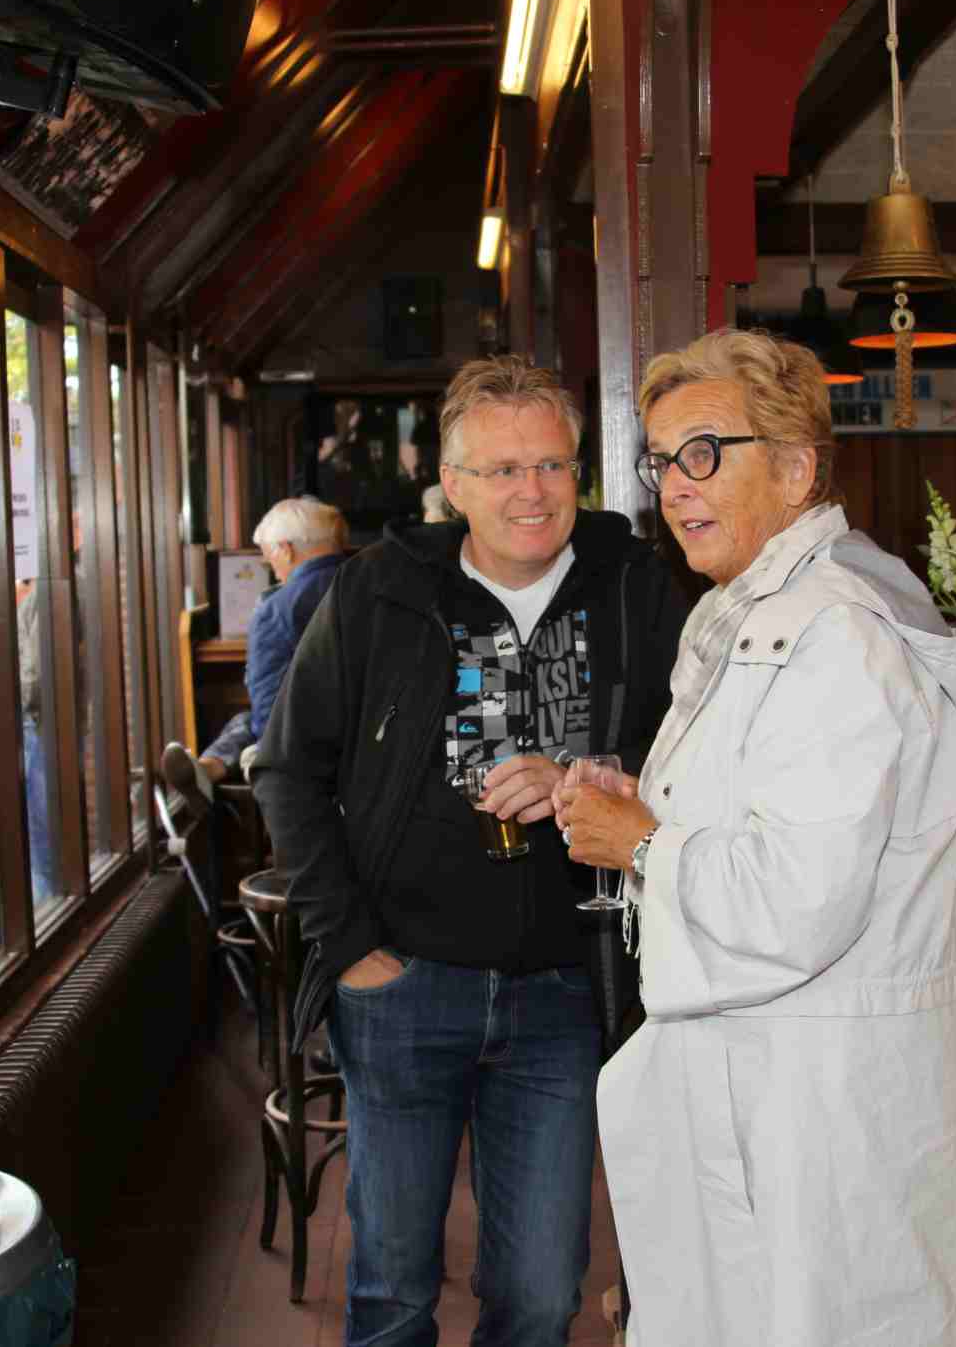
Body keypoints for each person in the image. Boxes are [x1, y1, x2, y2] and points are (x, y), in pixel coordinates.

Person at [555, 327, 956, 1347]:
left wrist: (643, 843)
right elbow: (772, 807)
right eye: (664, 461)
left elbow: (798, 898)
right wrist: (651, 806)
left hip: (823, 1098)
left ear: (798, 469)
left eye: (704, 452)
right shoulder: (749, 609)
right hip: (782, 1084)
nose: (677, 485)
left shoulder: (835, 634)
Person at [253, 355, 690, 1347]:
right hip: (403, 983)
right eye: (501, 470)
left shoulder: (636, 585)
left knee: (540, 1296)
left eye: (552, 464)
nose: (532, 491)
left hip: (565, 990)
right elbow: (286, 768)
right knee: (392, 1291)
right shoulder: (379, 590)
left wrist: (591, 773)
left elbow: (694, 753)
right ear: (452, 484)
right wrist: (351, 947)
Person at [163, 496, 346, 798]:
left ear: (286, 550)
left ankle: (209, 771)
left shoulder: (275, 609)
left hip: (307, 754)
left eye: (269, 559)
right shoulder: (372, 587)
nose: (272, 570)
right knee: (245, 722)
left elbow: (269, 714)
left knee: (249, 724)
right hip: (371, 738)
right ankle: (207, 768)